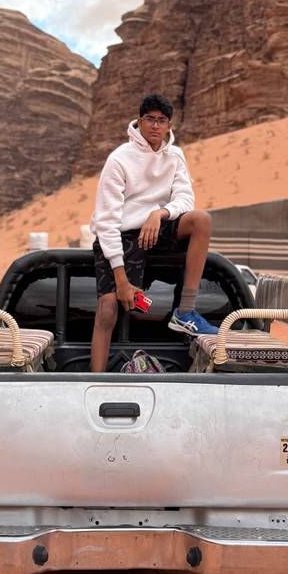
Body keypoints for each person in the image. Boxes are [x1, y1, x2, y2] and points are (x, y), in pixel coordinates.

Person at [90, 93, 217, 372]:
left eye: (161, 120)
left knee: (201, 220)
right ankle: (95, 381)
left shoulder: (175, 156)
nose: (155, 126)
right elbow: (106, 222)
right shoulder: (119, 159)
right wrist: (121, 279)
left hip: (157, 226)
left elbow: (186, 199)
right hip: (122, 235)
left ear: (170, 125)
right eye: (149, 119)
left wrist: (159, 213)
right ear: (139, 121)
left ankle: (185, 311)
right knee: (108, 309)